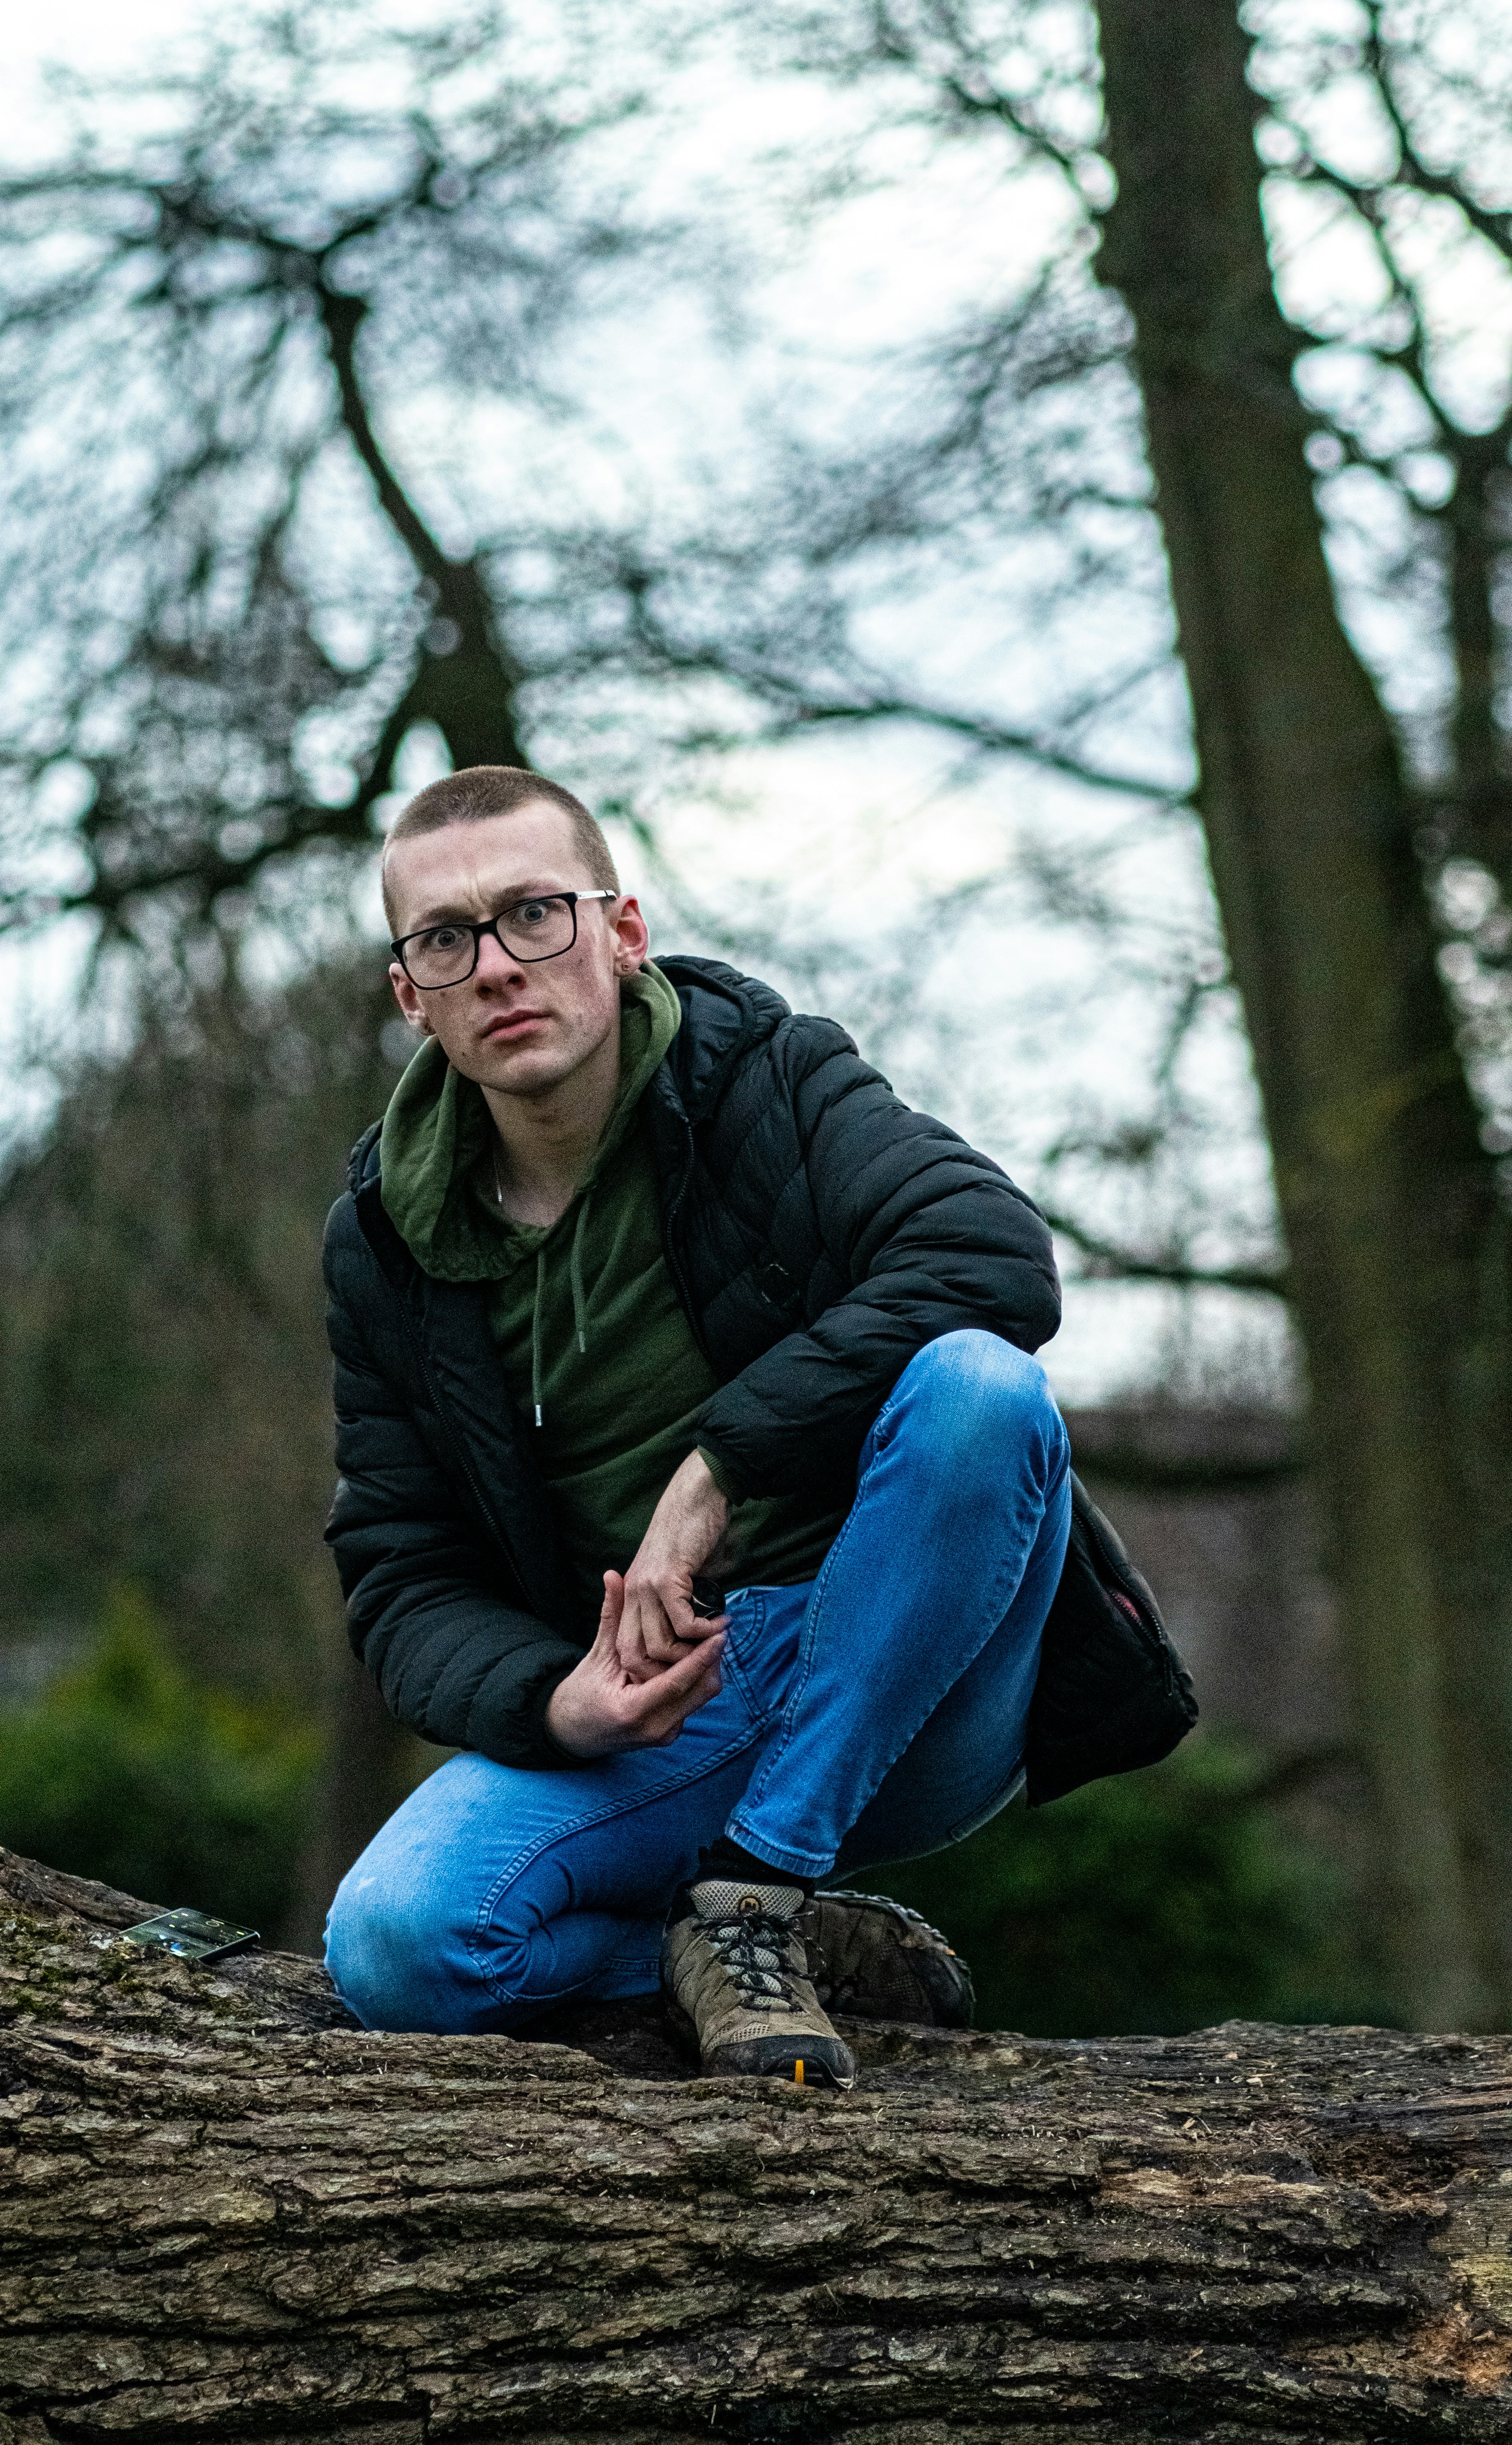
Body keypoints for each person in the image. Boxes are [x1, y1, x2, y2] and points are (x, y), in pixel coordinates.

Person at [321, 765, 1071, 2088]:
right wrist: (554, 1701)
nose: (496, 966)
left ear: (622, 931)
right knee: (395, 1947)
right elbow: (400, 1569)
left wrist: (718, 1467)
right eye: (445, 939)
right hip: (673, 1711)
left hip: (902, 1667)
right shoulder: (384, 1242)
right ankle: (764, 1941)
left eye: (534, 914)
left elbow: (992, 1256)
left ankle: (757, 1886)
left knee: (982, 1391)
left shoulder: (767, 1076)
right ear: (410, 996)